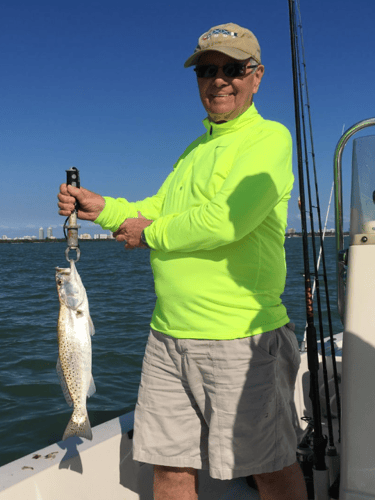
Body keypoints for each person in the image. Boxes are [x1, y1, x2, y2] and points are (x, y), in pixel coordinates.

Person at [58, 22, 307, 500]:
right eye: (207, 70)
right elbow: (159, 207)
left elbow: (225, 220)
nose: (218, 80)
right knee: (169, 469)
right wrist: (101, 207)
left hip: (241, 339)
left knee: (270, 470)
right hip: (168, 336)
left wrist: (149, 234)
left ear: (256, 76)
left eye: (232, 69)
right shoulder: (194, 151)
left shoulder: (269, 140)